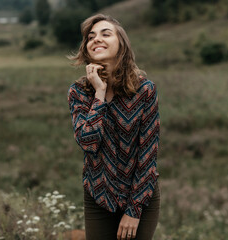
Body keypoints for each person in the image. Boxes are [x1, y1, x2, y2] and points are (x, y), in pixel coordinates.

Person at [67, 14, 161, 240]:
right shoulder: (79, 92)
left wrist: (134, 210)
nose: (96, 39)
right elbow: (88, 142)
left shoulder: (145, 90)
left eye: (105, 34)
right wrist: (99, 93)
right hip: (98, 195)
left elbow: (148, 153)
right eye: (91, 37)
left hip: (140, 196)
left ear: (121, 44)